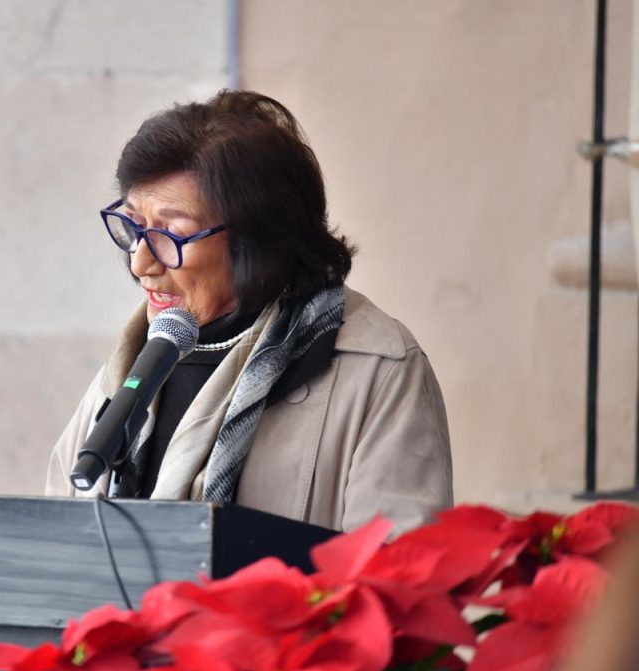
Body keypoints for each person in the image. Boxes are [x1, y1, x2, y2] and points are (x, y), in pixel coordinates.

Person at [44, 90, 452, 534]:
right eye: (134, 226)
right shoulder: (128, 368)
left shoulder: (377, 367)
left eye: (171, 234)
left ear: (256, 242)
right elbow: (56, 543)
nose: (141, 263)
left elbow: (398, 569)